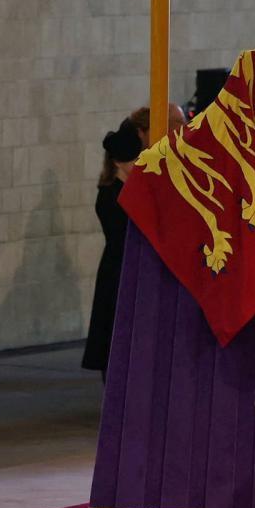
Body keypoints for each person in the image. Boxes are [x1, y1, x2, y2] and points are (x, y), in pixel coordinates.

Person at [82, 115, 145, 373]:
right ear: (119, 162)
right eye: (134, 159)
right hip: (119, 265)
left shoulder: (133, 188)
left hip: (133, 263)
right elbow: (122, 232)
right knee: (114, 328)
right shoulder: (110, 194)